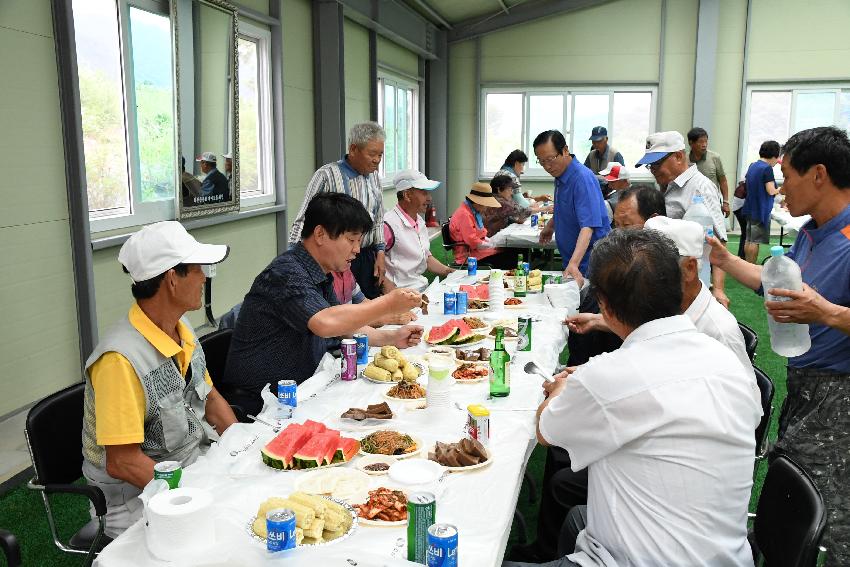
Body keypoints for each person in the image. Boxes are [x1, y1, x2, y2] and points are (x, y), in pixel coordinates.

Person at [506, 229, 760, 567]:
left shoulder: (609, 375)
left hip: (636, 560)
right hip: (721, 554)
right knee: (577, 519)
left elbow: (545, 430)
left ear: (604, 305)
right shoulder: (723, 357)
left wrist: (563, 389)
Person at [708, 126, 850, 564]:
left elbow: (818, 306)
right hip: (806, 386)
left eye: (787, 175)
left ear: (819, 175)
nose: (781, 187)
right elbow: (777, 285)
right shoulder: (812, 231)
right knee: (797, 503)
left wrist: (826, 313)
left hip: (839, 399)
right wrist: (725, 260)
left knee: (833, 515)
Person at [81, 221, 237, 538]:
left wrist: (242, 448)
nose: (205, 277)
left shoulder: (181, 328)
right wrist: (194, 494)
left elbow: (211, 398)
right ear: (171, 279)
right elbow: (122, 463)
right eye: (197, 268)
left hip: (196, 468)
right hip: (141, 502)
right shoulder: (120, 361)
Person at [222, 193, 424, 415]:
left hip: (305, 390)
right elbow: (325, 323)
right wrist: (387, 304)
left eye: (359, 241)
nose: (357, 249)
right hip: (263, 407)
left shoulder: (321, 273)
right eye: (351, 240)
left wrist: (391, 338)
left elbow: (343, 326)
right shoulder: (286, 273)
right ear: (320, 234)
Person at [288, 122, 388, 299]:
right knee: (339, 311)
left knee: (365, 307)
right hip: (334, 258)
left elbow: (378, 218)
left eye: (380, 154)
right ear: (353, 149)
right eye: (372, 154)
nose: (377, 160)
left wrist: (380, 252)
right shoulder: (327, 175)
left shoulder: (374, 177)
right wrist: (294, 261)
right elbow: (304, 218)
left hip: (365, 257)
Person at [637, 131, 731, 308]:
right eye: (650, 166)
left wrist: (718, 289)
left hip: (691, 282)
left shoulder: (701, 188)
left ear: (679, 156)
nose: (654, 171)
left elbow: (719, 241)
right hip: (669, 279)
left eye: (657, 164)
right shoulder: (668, 186)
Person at [534, 130, 611, 285]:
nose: (547, 166)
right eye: (541, 162)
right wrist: (550, 226)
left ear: (565, 150)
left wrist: (574, 263)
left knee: (587, 306)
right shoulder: (561, 174)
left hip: (590, 262)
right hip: (574, 259)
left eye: (550, 159)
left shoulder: (582, 179)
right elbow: (564, 208)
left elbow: (588, 227)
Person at [382, 169, 454, 291]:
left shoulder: (419, 221)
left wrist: (449, 271)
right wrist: (394, 297)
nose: (429, 198)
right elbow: (375, 266)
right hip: (401, 294)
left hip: (420, 288)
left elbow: (426, 258)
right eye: (423, 192)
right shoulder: (388, 224)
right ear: (407, 195)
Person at [448, 183, 517, 269]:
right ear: (478, 202)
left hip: (476, 251)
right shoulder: (465, 214)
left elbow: (481, 234)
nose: (486, 207)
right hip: (469, 256)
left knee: (509, 252)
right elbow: (472, 241)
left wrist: (491, 241)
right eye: (485, 204)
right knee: (511, 258)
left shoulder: (472, 212)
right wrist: (491, 244)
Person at [741, 140, 781, 264]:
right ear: (775, 156)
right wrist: (781, 189)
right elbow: (770, 191)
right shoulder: (767, 169)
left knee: (748, 240)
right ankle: (751, 267)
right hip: (760, 209)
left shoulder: (753, 165)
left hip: (750, 207)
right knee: (754, 242)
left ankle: (747, 266)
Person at [688, 127, 731, 217]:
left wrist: (726, 202)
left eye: (706, 141)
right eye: (701, 142)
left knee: (712, 230)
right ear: (691, 143)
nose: (704, 145)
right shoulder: (684, 160)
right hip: (691, 204)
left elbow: (723, 181)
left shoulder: (714, 158)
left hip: (713, 204)